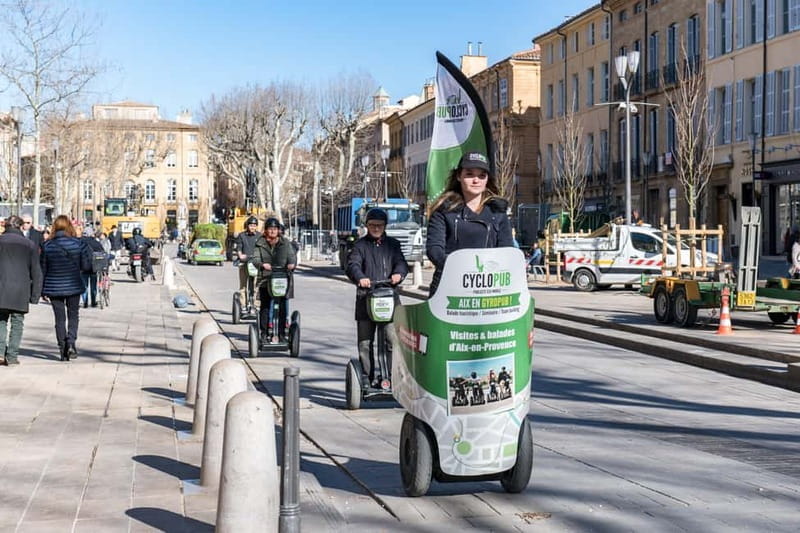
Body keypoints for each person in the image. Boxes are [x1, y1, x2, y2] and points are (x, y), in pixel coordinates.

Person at [426, 151, 514, 295]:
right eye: (469, 174)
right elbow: (434, 250)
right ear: (458, 176)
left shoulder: (497, 212)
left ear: (487, 180)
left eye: (481, 176)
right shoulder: (443, 210)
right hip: (449, 286)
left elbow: (506, 251)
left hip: (487, 288)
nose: (476, 180)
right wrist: (459, 270)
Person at [345, 208, 408, 386]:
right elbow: (352, 265)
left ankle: (392, 376)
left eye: (379, 225)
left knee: (392, 339)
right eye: (372, 225)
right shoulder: (360, 246)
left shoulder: (393, 245)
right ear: (367, 225)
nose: (376, 228)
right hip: (366, 298)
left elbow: (401, 263)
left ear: (385, 226)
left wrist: (398, 274)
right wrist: (360, 278)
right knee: (365, 343)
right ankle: (366, 377)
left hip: (389, 298)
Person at [41, 215, 91, 361]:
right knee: (73, 315)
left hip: (53, 286)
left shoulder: (47, 245)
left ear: (54, 227)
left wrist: (42, 289)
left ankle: (62, 349)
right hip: (73, 285)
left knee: (59, 319)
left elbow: (42, 268)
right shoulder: (78, 244)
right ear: (70, 226)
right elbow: (86, 266)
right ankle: (71, 342)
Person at [0, 216, 43, 366]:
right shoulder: (29, 245)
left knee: (0, 321)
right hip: (21, 289)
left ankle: (0, 352)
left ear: (5, 226)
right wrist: (36, 295)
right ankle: (12, 356)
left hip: (1, 287)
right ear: (20, 227)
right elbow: (36, 271)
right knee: (17, 322)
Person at [252, 217, 297, 343]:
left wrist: (292, 264)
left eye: (275, 229)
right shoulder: (260, 243)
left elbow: (292, 257)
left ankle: (282, 334)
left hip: (282, 278)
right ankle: (264, 333)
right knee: (265, 307)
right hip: (265, 279)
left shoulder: (285, 243)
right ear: (266, 230)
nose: (272, 231)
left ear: (278, 230)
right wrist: (262, 264)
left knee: (282, 307)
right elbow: (255, 259)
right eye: (270, 229)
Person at [234, 216, 261, 306]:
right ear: (247, 226)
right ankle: (243, 305)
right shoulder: (242, 235)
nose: (252, 227)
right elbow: (239, 247)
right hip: (244, 263)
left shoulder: (259, 236)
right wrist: (240, 255)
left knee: (256, 286)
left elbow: (263, 248)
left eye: (254, 225)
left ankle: (256, 305)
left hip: (256, 264)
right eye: (251, 225)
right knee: (243, 286)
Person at [80, 227, 106, 308]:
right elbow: (102, 253)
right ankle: (93, 301)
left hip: (82, 267)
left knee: (84, 285)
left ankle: (85, 302)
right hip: (94, 267)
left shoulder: (79, 242)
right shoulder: (96, 242)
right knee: (93, 285)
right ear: (91, 234)